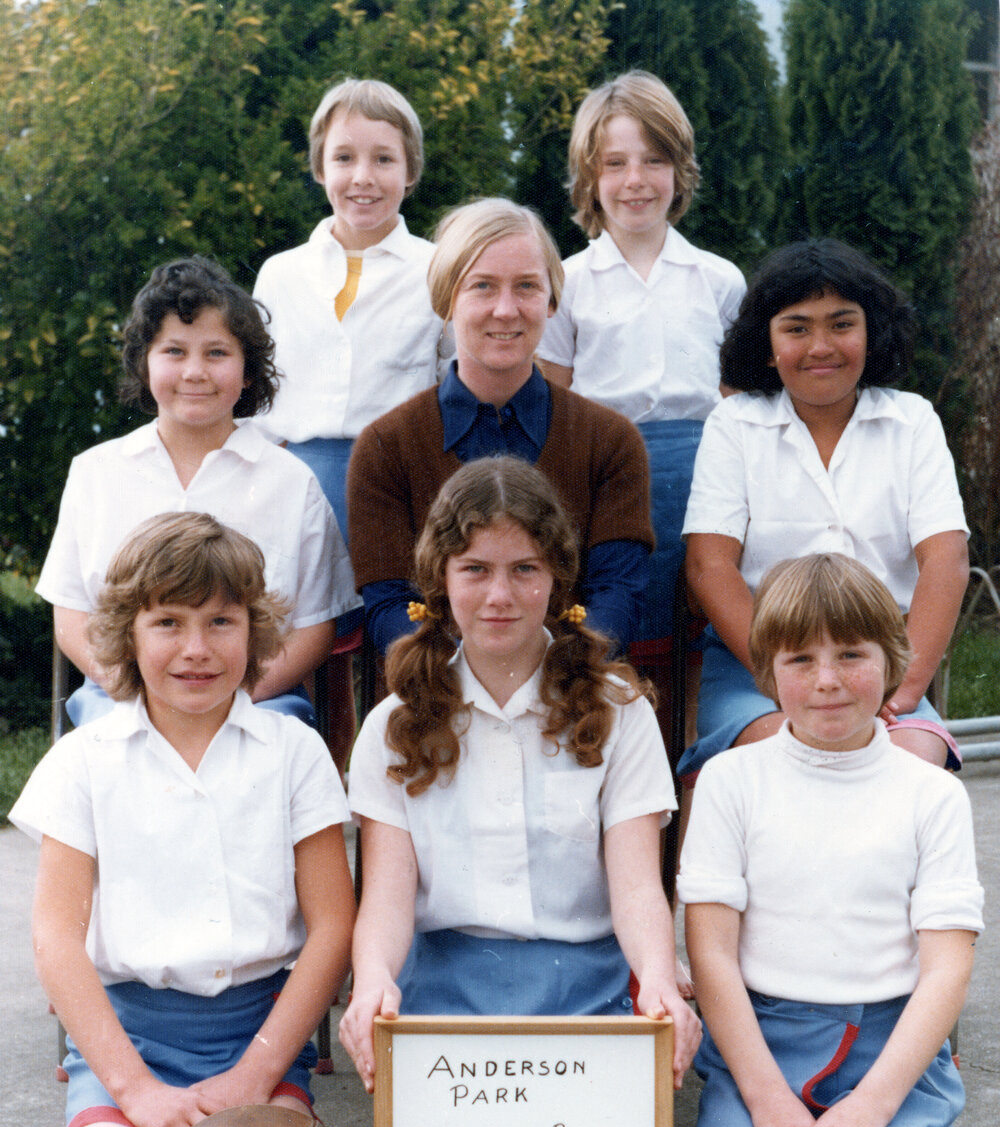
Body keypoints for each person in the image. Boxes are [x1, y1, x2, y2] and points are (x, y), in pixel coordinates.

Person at [11, 512, 357, 1127]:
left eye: (220, 621)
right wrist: (135, 1091)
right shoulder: (87, 760)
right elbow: (55, 937)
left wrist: (255, 1075)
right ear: (128, 635)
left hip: (254, 1042)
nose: (196, 649)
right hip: (127, 1044)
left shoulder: (294, 752)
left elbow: (333, 926)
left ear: (254, 631)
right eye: (167, 621)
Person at [339, 457, 700, 1094]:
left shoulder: (619, 713)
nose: (499, 596)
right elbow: (387, 900)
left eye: (524, 570)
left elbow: (639, 887)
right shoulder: (395, 724)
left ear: (558, 579)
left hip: (591, 993)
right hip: (440, 1001)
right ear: (440, 579)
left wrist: (660, 977)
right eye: (475, 569)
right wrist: (372, 981)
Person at [679, 553, 982, 1127]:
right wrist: (767, 1100)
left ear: (894, 659)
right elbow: (712, 953)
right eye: (800, 657)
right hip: (763, 1041)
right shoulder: (730, 780)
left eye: (852, 654)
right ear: (766, 668)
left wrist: (871, 1108)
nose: (826, 680)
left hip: (890, 1045)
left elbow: (944, 971)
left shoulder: (929, 795)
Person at [680, 238, 969, 779]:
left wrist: (901, 692)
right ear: (766, 345)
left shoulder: (913, 422)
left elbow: (946, 560)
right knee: (788, 757)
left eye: (841, 324)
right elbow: (708, 566)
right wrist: (779, 678)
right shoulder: (735, 425)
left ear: (871, 331)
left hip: (878, 671)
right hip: (758, 671)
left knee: (909, 761)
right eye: (796, 328)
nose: (820, 346)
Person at [37, 256, 357, 729]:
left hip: (257, 706)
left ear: (248, 370)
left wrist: (232, 699)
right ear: (144, 363)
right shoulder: (96, 474)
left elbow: (315, 625)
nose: (194, 372)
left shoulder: (292, 483)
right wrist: (142, 697)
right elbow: (72, 615)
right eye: (174, 352)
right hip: (121, 704)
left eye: (216, 353)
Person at [346, 198, 654, 659]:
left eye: (527, 286)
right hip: (437, 700)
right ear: (446, 299)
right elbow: (391, 608)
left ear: (552, 301)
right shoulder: (387, 448)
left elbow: (615, 599)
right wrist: (472, 686)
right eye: (483, 287)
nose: (506, 310)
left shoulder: (610, 442)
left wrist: (543, 686)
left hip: (569, 695)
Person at [253, 79, 448, 764]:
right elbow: (257, 401)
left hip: (400, 493)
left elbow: (449, 387)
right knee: (304, 656)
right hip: (296, 488)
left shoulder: (437, 270)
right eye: (344, 158)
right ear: (319, 167)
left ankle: (399, 799)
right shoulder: (281, 274)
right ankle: (315, 810)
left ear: (410, 170)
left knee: (398, 658)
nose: (362, 178)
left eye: (383, 159)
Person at [537, 70, 745, 693]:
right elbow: (554, 403)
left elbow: (736, 408)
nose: (635, 181)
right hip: (604, 483)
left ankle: (690, 769)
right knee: (612, 639)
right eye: (615, 164)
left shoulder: (718, 280)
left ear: (679, 171)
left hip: (703, 483)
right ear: (589, 179)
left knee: (696, 640)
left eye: (654, 161)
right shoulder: (566, 284)